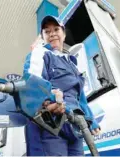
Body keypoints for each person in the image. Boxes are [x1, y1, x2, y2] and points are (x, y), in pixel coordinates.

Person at [23, 15, 100, 156]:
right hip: (52, 123)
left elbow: (80, 97)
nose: (52, 34)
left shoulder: (71, 63)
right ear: (42, 37)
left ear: (63, 34)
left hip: (75, 125)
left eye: (56, 29)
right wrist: (51, 100)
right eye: (47, 31)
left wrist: (91, 119)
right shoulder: (40, 54)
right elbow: (32, 82)